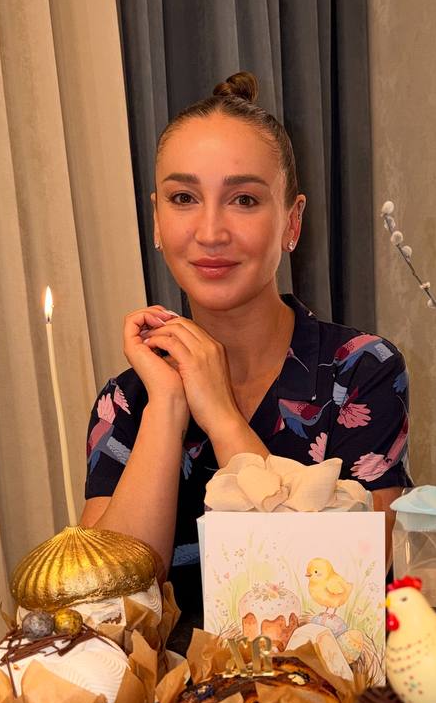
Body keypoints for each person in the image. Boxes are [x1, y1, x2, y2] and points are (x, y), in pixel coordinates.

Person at [80, 72, 410, 617]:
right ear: (157, 220)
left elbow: (342, 593)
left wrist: (221, 417)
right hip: (169, 676)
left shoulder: (359, 372)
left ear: (292, 222)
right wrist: (168, 405)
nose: (211, 232)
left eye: (244, 200)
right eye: (183, 198)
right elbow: (105, 609)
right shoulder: (128, 401)